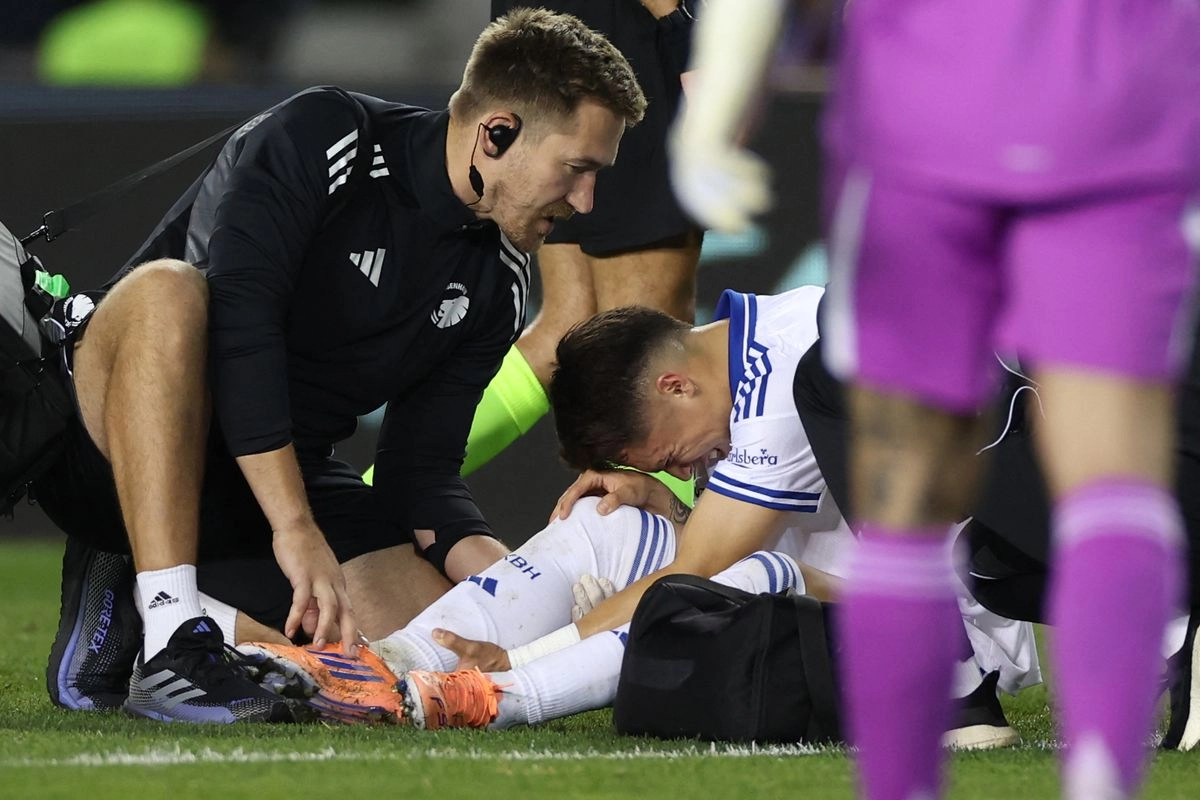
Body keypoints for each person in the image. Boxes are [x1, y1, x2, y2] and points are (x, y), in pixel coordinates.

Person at [37, 8, 646, 724]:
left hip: (274, 479)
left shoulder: (499, 277)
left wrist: (522, 583)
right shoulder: (328, 136)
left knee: (430, 654)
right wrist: (295, 528)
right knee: (170, 292)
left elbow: (420, 476)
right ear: (497, 132)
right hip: (114, 450)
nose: (585, 202)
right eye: (577, 170)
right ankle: (169, 619)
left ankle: (154, 614)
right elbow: (241, 334)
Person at [669, 1, 1200, 797]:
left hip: (928, 122)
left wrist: (715, 104)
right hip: (1115, 118)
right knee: (1112, 484)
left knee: (902, 497)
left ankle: (934, 735)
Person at [243, 285, 1040, 746]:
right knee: (608, 520)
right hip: (847, 579)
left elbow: (696, 571)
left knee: (749, 576)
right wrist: (668, 501)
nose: (683, 471)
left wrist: (523, 657)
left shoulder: (780, 384)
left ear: (673, 386)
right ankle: (386, 660)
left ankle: (493, 696)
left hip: (949, 628)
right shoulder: (752, 339)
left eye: (667, 456)